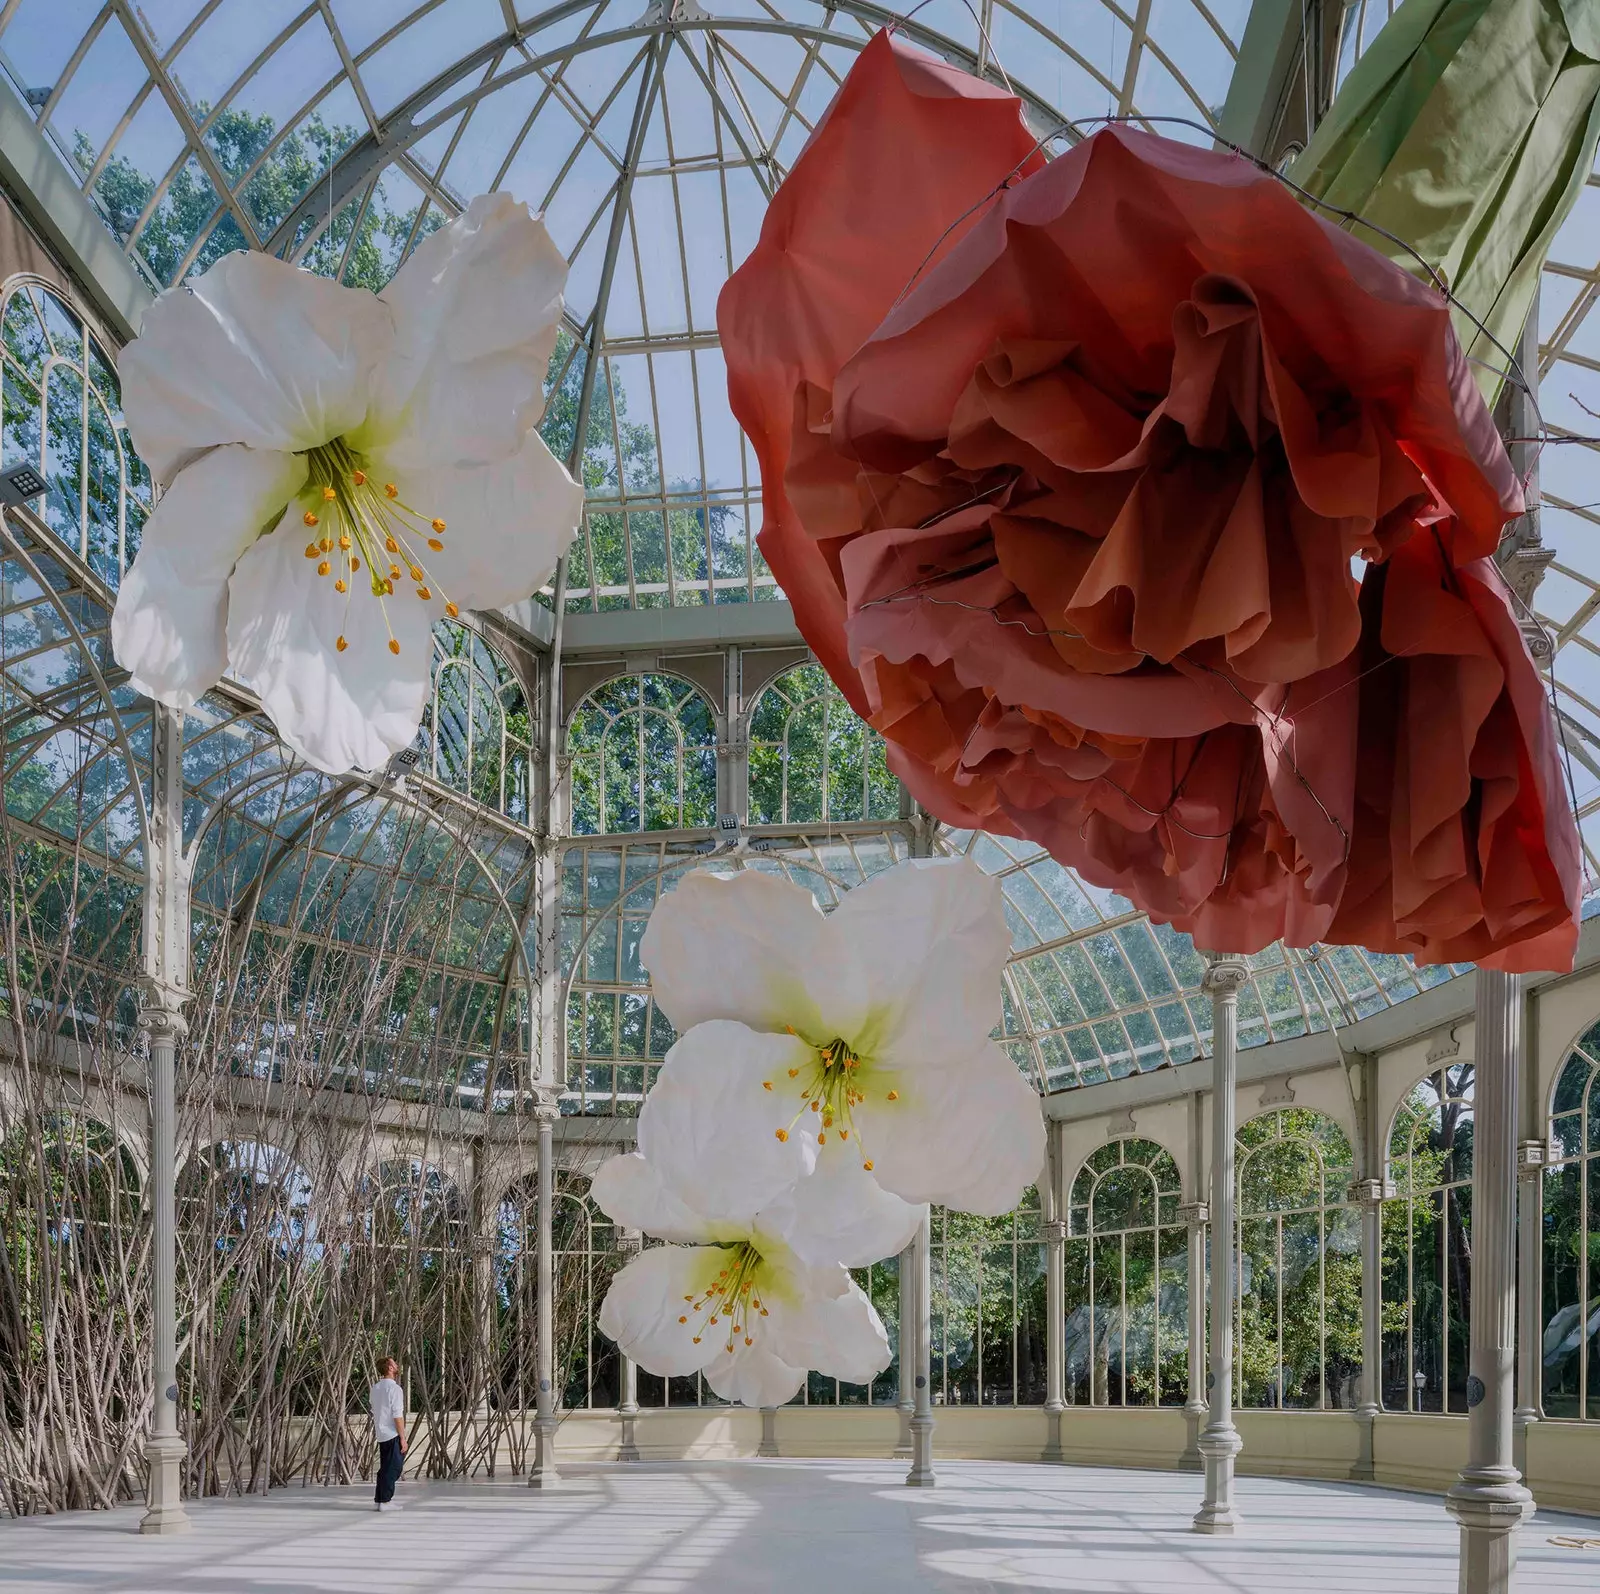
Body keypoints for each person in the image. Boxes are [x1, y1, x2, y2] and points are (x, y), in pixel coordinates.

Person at [370, 1357, 407, 1512]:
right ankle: (385, 1501)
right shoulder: (395, 1389)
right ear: (390, 1368)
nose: (397, 1365)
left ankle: (380, 1500)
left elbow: (374, 1410)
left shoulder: (376, 1388)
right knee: (393, 1468)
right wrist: (403, 1438)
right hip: (392, 1434)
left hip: (381, 1433)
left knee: (386, 1468)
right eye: (394, 1363)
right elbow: (397, 1416)